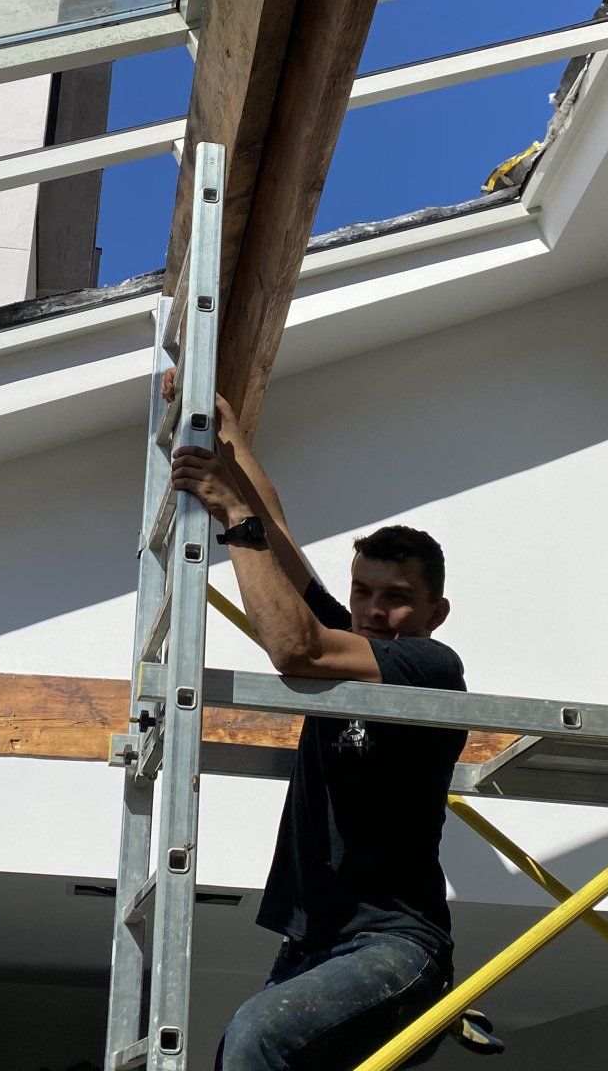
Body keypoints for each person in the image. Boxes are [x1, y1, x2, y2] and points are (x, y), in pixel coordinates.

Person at [168, 389, 466, 1071]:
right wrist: (228, 423)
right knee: (239, 1052)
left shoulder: (427, 665)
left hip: (395, 946)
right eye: (363, 591)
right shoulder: (353, 638)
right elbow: (273, 527)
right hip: (315, 944)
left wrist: (232, 514)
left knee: (258, 1040)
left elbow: (294, 649)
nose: (372, 610)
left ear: (434, 612)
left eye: (396, 598)